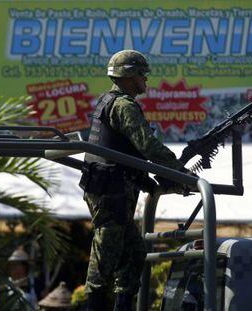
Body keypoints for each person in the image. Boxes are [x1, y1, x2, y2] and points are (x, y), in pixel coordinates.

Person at [79, 50, 192, 310]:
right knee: (105, 256)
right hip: (111, 193)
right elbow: (147, 146)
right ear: (129, 76)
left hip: (113, 189)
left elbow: (125, 152)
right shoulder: (123, 106)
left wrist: (149, 182)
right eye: (142, 74)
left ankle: (123, 304)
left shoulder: (109, 101)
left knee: (134, 253)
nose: (145, 80)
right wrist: (179, 172)